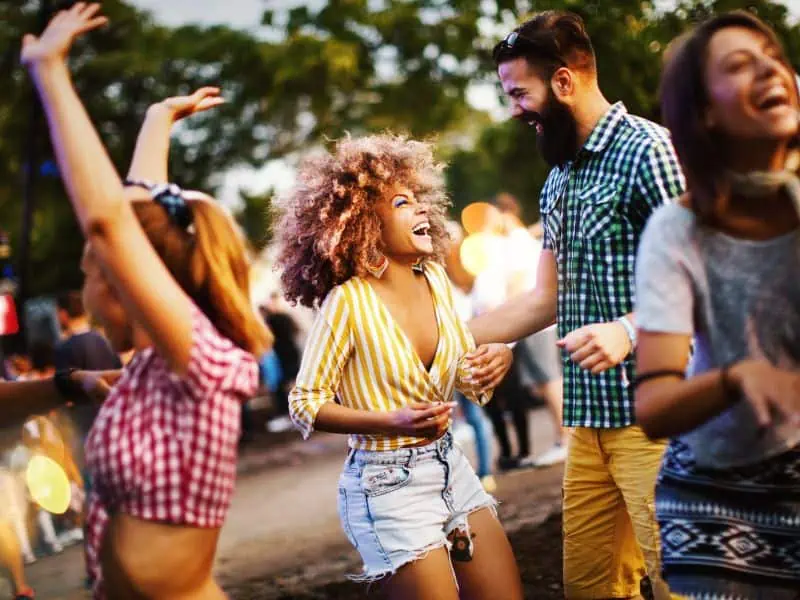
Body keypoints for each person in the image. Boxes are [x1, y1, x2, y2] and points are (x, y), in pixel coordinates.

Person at [21, 4, 271, 598]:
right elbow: (136, 215)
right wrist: (159, 120)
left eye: (92, 270)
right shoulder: (158, 366)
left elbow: (113, 224)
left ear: (123, 282)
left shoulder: (198, 362)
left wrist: (51, 71)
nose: (88, 282)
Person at [470, 11, 685, 599]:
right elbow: (546, 298)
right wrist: (446, 337)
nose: (515, 108)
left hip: (658, 419)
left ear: (563, 82)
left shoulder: (649, 151)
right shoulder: (558, 178)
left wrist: (628, 329)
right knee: (590, 589)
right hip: (589, 423)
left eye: (520, 93)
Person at [277, 133, 524, 600]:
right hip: (387, 486)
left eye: (420, 200)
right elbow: (304, 404)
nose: (422, 210)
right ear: (364, 223)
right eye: (402, 202)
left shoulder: (434, 278)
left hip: (452, 466)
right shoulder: (347, 302)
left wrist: (496, 359)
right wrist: (390, 420)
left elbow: (459, 372)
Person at [635, 11, 800, 599]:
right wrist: (738, 378)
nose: (767, 67)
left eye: (771, 55)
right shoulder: (676, 231)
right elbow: (653, 405)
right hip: (715, 507)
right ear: (704, 112)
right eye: (738, 63)